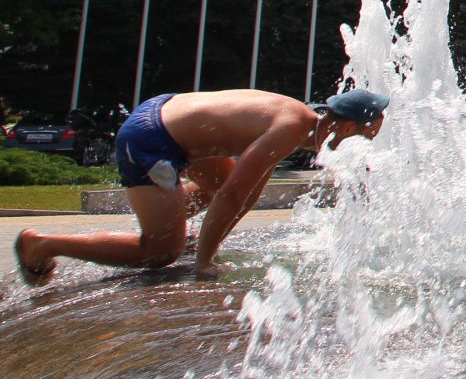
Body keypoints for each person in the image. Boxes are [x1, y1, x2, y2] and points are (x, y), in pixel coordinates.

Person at [13, 88, 388, 286]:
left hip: (168, 118)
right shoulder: (290, 128)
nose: (367, 146)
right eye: (369, 135)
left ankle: (175, 223)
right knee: (160, 253)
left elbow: (247, 190)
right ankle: (42, 243)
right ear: (348, 126)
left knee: (218, 190)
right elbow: (234, 196)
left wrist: (215, 239)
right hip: (152, 139)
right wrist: (205, 262)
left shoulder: (298, 120)